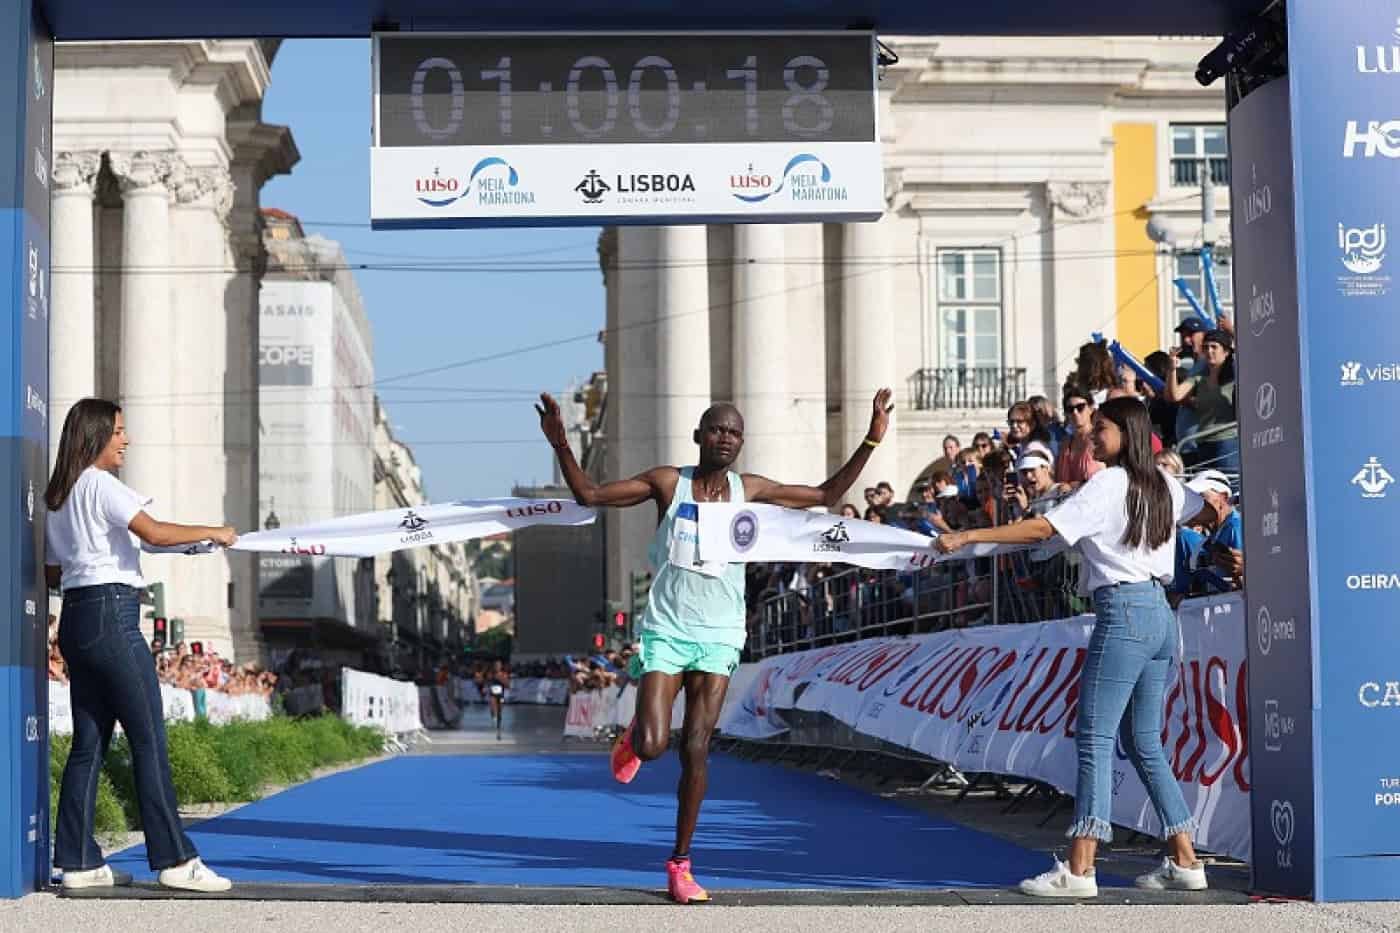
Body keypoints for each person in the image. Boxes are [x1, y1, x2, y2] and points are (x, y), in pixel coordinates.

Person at [535, 387, 892, 904]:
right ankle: (636, 734)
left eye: (735, 432)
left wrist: (871, 442)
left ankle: (680, 864)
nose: (726, 438)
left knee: (697, 748)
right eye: (717, 429)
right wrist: (562, 444)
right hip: (667, 630)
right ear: (699, 436)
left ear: (741, 443)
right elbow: (590, 495)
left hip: (721, 635)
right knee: (656, 744)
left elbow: (821, 496)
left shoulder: (750, 489)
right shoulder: (666, 483)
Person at [935, 397, 1216, 898]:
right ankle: (1186, 858)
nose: (1090, 435)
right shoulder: (1164, 484)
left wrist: (970, 534)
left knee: (1095, 738)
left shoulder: (1108, 482)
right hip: (1159, 615)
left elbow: (1045, 528)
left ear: (1126, 433)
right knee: (1144, 742)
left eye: (1101, 428)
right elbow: (1209, 506)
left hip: (1124, 611)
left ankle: (1081, 868)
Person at [44, 398, 236, 893]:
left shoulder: (60, 495)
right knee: (149, 739)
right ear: (96, 436)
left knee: (89, 744)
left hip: (78, 618)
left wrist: (197, 544)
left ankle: (79, 861)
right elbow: (152, 532)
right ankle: (175, 860)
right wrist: (213, 530)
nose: (125, 440)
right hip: (113, 615)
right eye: (119, 432)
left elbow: (54, 570)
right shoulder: (101, 484)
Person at [1166, 329, 1239, 476]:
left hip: (1227, 442)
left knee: (1231, 491)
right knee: (1206, 491)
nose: (1209, 351)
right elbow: (1175, 395)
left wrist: (1231, 329)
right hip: (1202, 443)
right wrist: (1172, 369)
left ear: (1225, 351)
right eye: (1206, 347)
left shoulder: (1235, 377)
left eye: (1214, 347)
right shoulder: (1200, 378)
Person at [1055, 384, 1103, 488]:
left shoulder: (1100, 439)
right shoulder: (1064, 444)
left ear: (1091, 408)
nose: (1075, 413)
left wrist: (1072, 486)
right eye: (1070, 409)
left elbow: (1104, 479)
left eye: (1080, 407)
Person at [488, 658, 510, 739]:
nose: (498, 666)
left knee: (500, 713)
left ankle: (498, 732)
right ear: (494, 666)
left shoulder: (504, 674)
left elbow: (508, 685)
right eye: (496, 665)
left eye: (499, 665)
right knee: (493, 708)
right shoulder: (491, 674)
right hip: (493, 694)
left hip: (501, 696)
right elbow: (488, 682)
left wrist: (502, 680)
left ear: (501, 666)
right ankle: (493, 715)